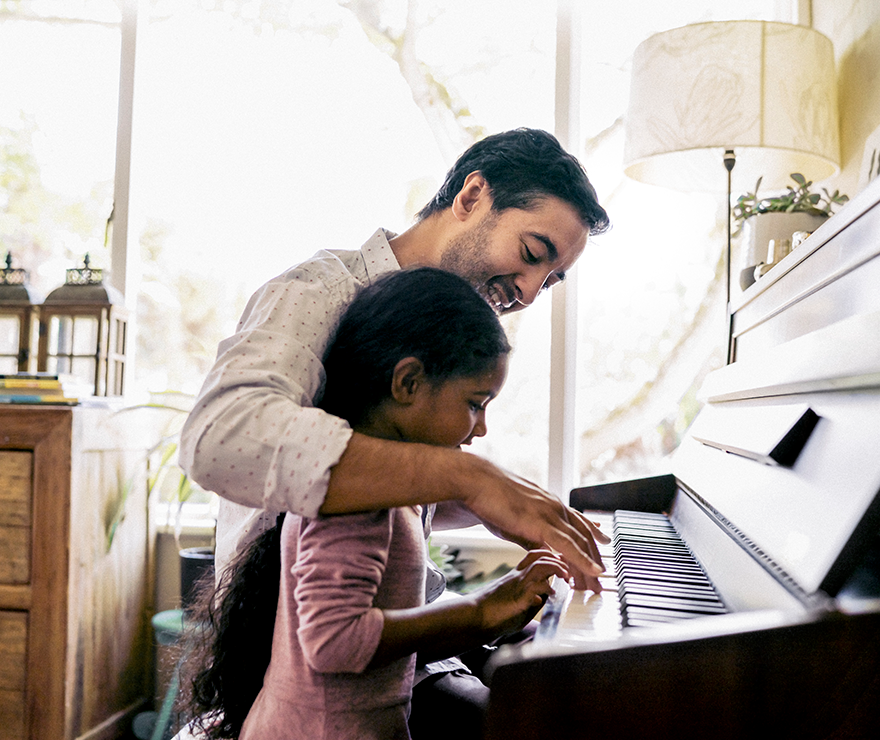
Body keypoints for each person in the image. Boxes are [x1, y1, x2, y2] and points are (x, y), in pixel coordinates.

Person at [179, 127, 612, 588]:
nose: (527, 293)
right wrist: (470, 478)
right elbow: (221, 440)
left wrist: (498, 501)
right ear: (471, 197)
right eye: (531, 253)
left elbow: (378, 488)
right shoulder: (319, 292)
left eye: (549, 281)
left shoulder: (439, 329)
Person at [182, 268, 569, 740]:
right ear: (408, 382)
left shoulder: (386, 488)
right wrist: (480, 611)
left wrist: (506, 515)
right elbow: (333, 642)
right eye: (474, 403)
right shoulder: (360, 504)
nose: (481, 427)